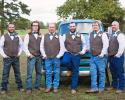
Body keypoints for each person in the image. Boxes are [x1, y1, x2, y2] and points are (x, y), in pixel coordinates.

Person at [61, 22, 86, 94]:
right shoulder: (65, 35)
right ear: (69, 27)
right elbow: (62, 44)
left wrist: (83, 51)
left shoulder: (80, 35)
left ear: (75, 27)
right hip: (68, 53)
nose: (72, 27)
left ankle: (73, 88)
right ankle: (70, 68)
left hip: (77, 54)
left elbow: (84, 44)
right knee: (64, 62)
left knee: (76, 71)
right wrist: (65, 51)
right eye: (71, 26)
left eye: (73, 26)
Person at [0, 23, 24, 94]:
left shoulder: (18, 36)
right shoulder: (4, 36)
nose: (11, 28)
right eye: (10, 27)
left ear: (14, 28)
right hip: (7, 58)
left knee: (17, 73)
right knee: (5, 73)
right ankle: (4, 88)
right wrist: (4, 55)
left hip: (16, 58)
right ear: (8, 28)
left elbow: (21, 46)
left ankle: (20, 86)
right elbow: (0, 47)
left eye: (13, 27)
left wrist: (19, 54)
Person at [40, 23, 64, 93]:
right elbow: (41, 47)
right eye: (50, 27)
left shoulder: (59, 36)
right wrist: (44, 55)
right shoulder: (44, 36)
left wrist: (58, 56)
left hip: (56, 58)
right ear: (48, 28)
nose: (51, 28)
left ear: (55, 28)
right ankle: (48, 86)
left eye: (53, 27)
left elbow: (62, 48)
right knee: (48, 72)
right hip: (47, 58)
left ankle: (55, 86)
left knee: (56, 72)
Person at [86, 21, 109, 93]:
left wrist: (102, 54)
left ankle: (101, 88)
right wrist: (86, 49)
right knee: (93, 73)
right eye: (93, 25)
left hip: (100, 57)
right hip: (92, 56)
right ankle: (94, 88)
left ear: (99, 26)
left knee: (101, 72)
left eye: (96, 25)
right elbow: (88, 44)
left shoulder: (103, 34)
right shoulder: (90, 34)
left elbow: (106, 45)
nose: (94, 26)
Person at [24, 21, 42, 94]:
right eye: (34, 25)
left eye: (37, 25)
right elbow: (25, 46)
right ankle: (28, 88)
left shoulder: (41, 35)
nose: (35, 27)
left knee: (39, 72)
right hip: (31, 57)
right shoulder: (28, 35)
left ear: (38, 27)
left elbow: (43, 46)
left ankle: (37, 86)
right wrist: (29, 54)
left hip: (39, 57)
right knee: (29, 73)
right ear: (32, 26)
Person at [108, 21, 125, 93]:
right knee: (113, 72)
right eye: (112, 25)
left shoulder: (120, 35)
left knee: (119, 72)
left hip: (118, 57)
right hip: (111, 56)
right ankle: (114, 86)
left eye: (114, 25)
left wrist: (117, 55)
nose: (113, 26)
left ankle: (121, 87)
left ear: (118, 26)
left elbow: (122, 46)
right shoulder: (112, 34)